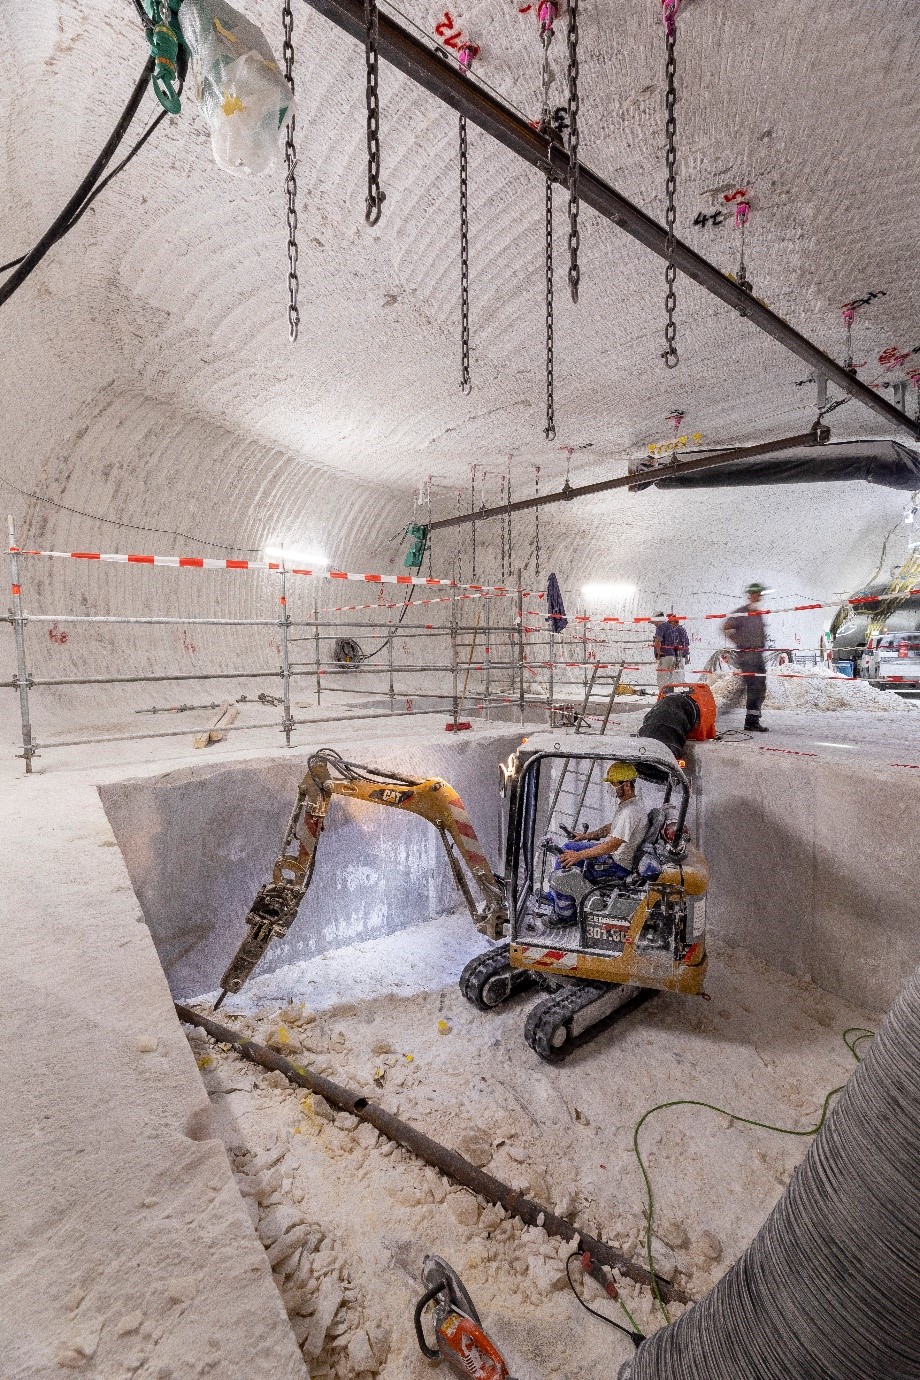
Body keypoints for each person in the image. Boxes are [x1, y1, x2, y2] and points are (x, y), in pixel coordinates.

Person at [548, 762, 649, 922]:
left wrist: (578, 856)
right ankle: (559, 896)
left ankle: (565, 914)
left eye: (614, 785)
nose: (612, 788)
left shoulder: (630, 812)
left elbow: (612, 844)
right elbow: (612, 828)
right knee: (568, 847)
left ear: (628, 785)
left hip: (617, 865)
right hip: (614, 857)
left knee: (565, 860)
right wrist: (587, 836)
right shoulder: (628, 806)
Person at [723, 582, 769, 732]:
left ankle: (752, 719)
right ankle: (750, 721)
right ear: (750, 595)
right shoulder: (741, 613)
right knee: (754, 686)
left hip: (757, 654)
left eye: (759, 594)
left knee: (759, 686)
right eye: (756, 594)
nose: (758, 596)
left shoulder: (758, 614)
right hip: (747, 655)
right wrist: (740, 642)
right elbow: (726, 628)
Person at [652, 611, 691, 690]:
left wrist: (659, 653)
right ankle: (676, 693)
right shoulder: (676, 629)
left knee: (671, 677)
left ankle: (669, 694)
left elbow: (659, 641)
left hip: (673, 656)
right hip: (676, 656)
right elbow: (684, 644)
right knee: (675, 677)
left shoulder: (676, 629)